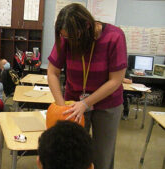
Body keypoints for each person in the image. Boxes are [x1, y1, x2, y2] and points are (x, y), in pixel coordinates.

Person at [47, 4, 127, 169]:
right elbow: (52, 72)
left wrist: (86, 103)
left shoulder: (114, 37)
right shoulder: (66, 36)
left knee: (102, 156)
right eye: (64, 37)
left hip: (107, 103)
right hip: (73, 102)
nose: (67, 41)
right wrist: (61, 105)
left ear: (87, 27)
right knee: (73, 155)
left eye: (72, 38)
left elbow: (116, 80)